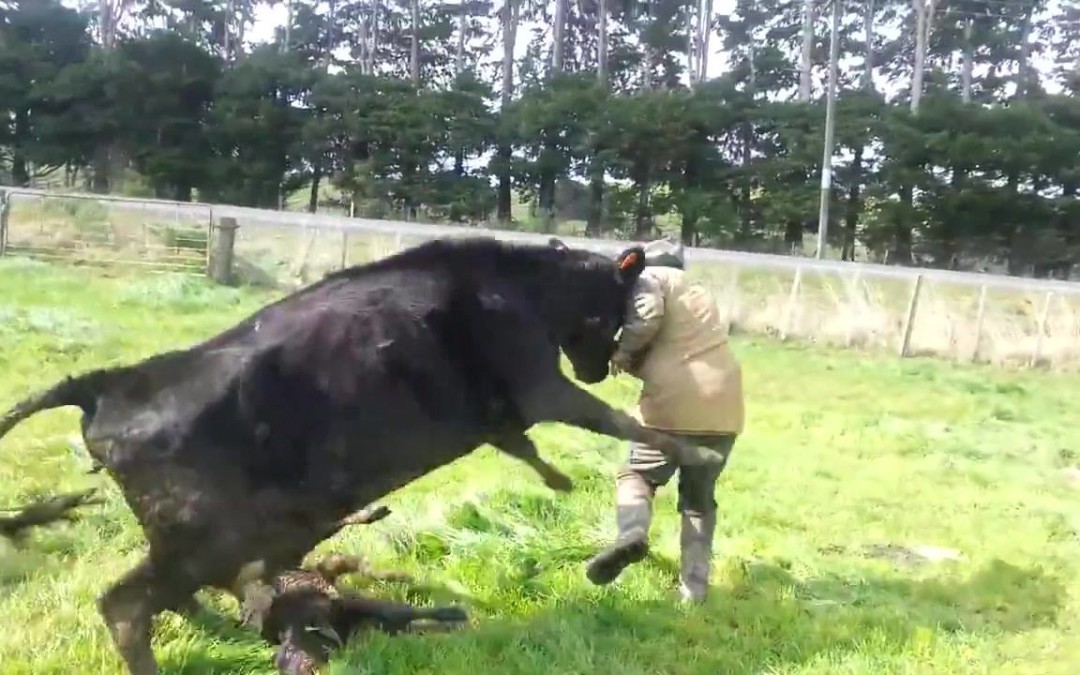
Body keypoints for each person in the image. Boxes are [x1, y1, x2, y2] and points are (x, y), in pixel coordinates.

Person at [584, 238, 745, 603]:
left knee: (637, 475)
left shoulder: (652, 278)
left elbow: (648, 313)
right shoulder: (698, 292)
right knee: (698, 500)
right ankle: (694, 589)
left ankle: (631, 534)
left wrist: (623, 353)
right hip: (726, 405)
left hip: (675, 400)